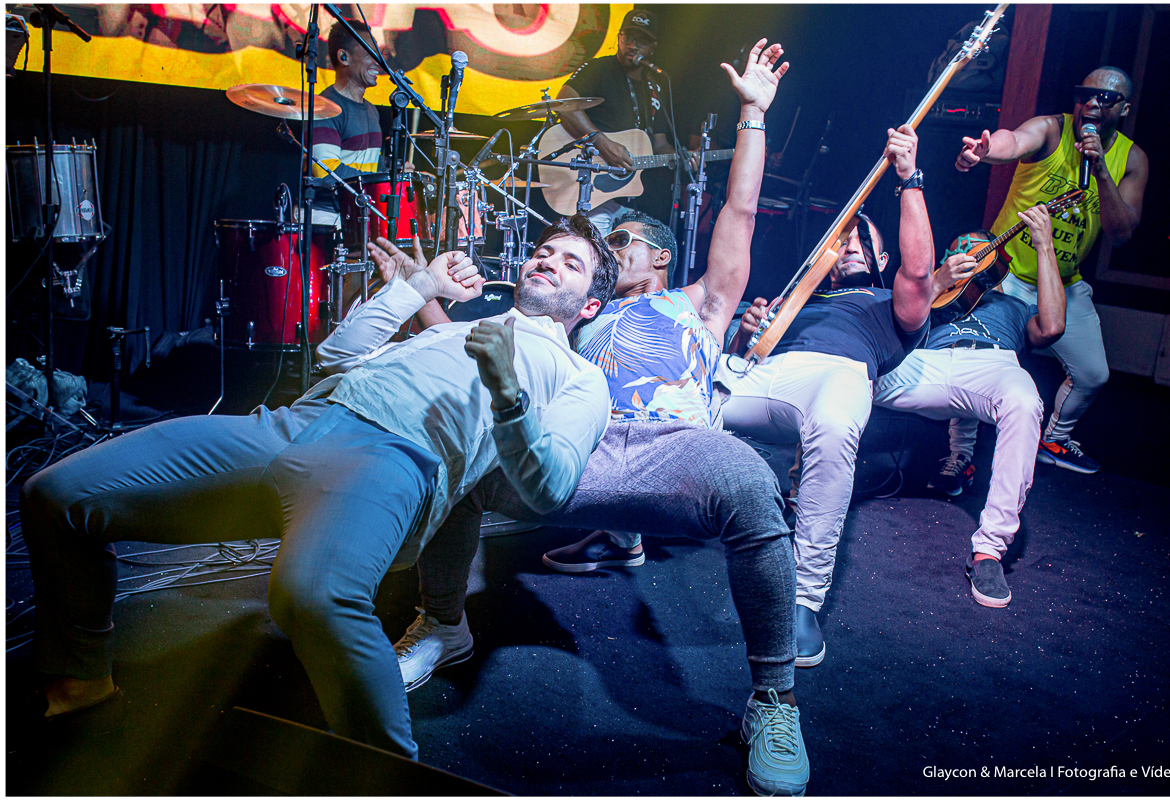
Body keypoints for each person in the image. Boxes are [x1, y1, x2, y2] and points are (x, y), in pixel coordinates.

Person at [19, 216, 619, 763]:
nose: (547, 261)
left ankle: (386, 775)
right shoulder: (457, 328)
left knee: (313, 595)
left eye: (570, 262)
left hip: (388, 459)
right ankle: (82, 695)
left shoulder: (581, 377)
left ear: (590, 305)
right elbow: (338, 352)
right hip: (289, 424)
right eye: (544, 251)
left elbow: (552, 486)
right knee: (58, 495)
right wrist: (420, 289)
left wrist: (509, 394)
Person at [381, 40, 810, 796]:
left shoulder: (699, 304)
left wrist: (752, 112)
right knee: (465, 457)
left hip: (671, 450)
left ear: (660, 258)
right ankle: (444, 622)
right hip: (573, 444)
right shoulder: (578, 317)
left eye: (625, 242)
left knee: (747, 478)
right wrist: (416, 287)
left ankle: (773, 698)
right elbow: (470, 347)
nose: (611, 250)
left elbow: (739, 211)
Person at [719, 124, 935, 668]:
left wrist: (910, 180)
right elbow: (744, 359)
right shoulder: (799, 302)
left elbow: (920, 270)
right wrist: (747, 332)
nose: (851, 248)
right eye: (842, 243)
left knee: (838, 425)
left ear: (882, 259)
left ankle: (802, 600)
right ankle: (620, 532)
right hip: (773, 374)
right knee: (687, 396)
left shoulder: (891, 301)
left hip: (839, 374)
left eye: (864, 241)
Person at [954, 67, 1148, 474]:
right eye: (1084, 94)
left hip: (1061, 284)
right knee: (974, 358)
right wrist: (986, 149)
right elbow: (1014, 140)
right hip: (1004, 273)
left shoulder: (1130, 159)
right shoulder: (1052, 130)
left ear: (1124, 108)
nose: (1091, 104)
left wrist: (1099, 171)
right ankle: (960, 456)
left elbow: (1121, 232)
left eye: (1105, 98)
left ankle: (1055, 439)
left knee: (1093, 373)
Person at [873, 203, 1066, 608]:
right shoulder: (930, 292)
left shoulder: (1011, 307)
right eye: (961, 249)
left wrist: (1045, 246)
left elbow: (1052, 328)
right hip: (925, 362)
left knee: (1024, 400)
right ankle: (802, 491)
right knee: (847, 371)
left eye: (981, 250)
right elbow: (887, 319)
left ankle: (989, 550)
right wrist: (938, 279)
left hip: (991, 363)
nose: (971, 254)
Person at [554, 8, 676, 234]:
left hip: (634, 196)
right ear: (619, 38)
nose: (633, 45)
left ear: (653, 47)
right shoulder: (599, 68)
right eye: (628, 37)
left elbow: (659, 144)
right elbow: (565, 102)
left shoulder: (656, 86)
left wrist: (684, 157)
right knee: (595, 259)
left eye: (642, 41)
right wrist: (602, 143)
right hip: (594, 191)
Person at [312, 19, 384, 226]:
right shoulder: (325, 107)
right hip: (326, 217)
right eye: (370, 53)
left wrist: (393, 174)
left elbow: (371, 166)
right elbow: (327, 172)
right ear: (344, 57)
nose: (378, 61)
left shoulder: (372, 110)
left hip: (356, 213)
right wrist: (377, 181)